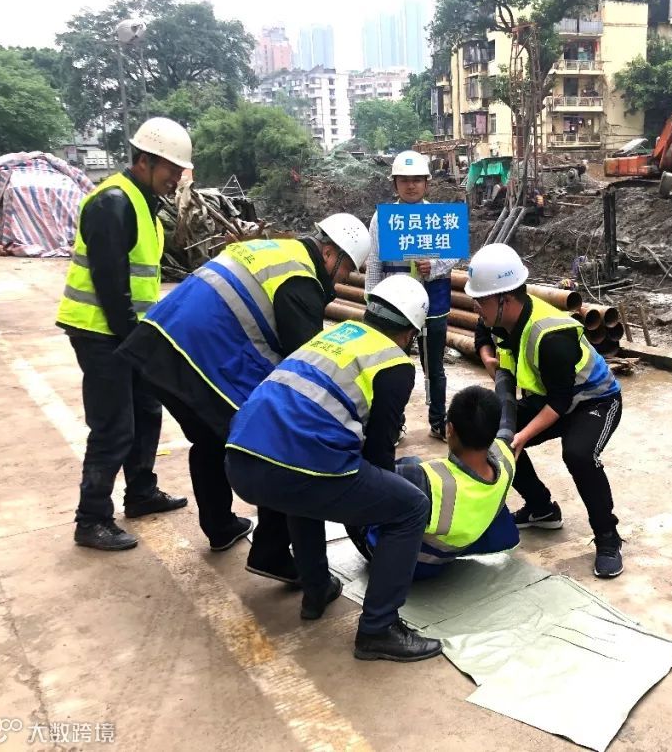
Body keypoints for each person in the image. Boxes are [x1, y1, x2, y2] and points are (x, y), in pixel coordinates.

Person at [118, 215, 370, 575]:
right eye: (346, 269)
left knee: (208, 438)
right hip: (198, 354)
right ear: (330, 253)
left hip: (158, 342)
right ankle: (271, 554)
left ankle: (221, 528)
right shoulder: (300, 279)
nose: (344, 279)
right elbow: (306, 365)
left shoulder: (276, 250)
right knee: (276, 441)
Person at [225, 275, 442, 662]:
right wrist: (371, 517)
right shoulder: (393, 362)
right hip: (292, 469)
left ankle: (317, 589)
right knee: (410, 507)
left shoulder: (336, 336)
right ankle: (378, 629)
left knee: (306, 482)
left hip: (240, 459)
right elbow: (379, 452)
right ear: (411, 332)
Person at [56, 117, 193, 551]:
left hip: (128, 333)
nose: (176, 178)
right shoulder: (112, 202)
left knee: (147, 411)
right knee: (113, 426)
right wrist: (133, 340)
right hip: (101, 334)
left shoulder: (142, 202)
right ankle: (91, 518)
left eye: (180, 170)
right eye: (171, 169)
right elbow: (110, 283)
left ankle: (141, 493)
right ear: (145, 160)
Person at [465, 243, 626, 578]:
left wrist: (521, 436)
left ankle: (608, 537)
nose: (476, 306)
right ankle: (542, 509)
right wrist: (487, 357)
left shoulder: (551, 335)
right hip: (550, 397)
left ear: (505, 299)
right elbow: (483, 332)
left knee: (579, 455)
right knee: (492, 433)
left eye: (481, 300)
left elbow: (560, 403)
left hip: (595, 401)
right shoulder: (500, 316)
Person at [350, 375, 521, 580]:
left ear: (449, 429)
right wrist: (503, 373)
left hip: (412, 564)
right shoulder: (506, 456)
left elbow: (362, 475)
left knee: (350, 482)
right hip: (454, 548)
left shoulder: (427, 481)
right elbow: (508, 412)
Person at [365, 150, 455, 442]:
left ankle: (439, 420)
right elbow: (375, 261)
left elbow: (453, 254)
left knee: (434, 367)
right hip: (395, 303)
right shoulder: (382, 219)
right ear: (395, 184)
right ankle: (394, 423)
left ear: (427, 182)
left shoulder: (439, 217)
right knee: (392, 365)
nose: (411, 185)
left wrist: (435, 266)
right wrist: (371, 299)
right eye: (404, 180)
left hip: (434, 301)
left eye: (417, 179)